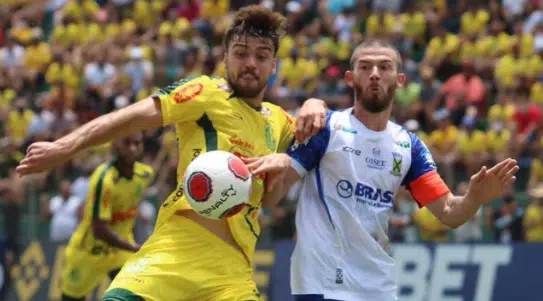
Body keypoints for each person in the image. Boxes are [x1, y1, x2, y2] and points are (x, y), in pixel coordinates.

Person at [16, 6, 326, 301]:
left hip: (232, 271)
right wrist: (65, 146)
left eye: (262, 56)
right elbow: (130, 117)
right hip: (174, 249)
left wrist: (315, 103)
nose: (250, 63)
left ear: (273, 66)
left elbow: (324, 139)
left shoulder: (280, 121)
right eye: (241, 53)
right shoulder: (204, 92)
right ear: (225, 57)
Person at [243, 39, 519, 301]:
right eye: (365, 67)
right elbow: (271, 198)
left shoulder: (408, 146)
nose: (374, 74)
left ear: (400, 80)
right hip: (323, 284)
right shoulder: (325, 128)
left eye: (384, 67)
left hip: (378, 287)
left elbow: (449, 213)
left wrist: (475, 198)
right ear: (350, 78)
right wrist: (277, 167)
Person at [60, 133, 154, 301]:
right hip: (89, 252)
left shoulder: (145, 174)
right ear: (115, 146)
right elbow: (99, 230)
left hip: (119, 253)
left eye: (137, 143)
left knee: (137, 295)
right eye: (127, 142)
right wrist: (134, 248)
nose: (132, 148)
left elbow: (128, 205)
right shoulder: (104, 179)